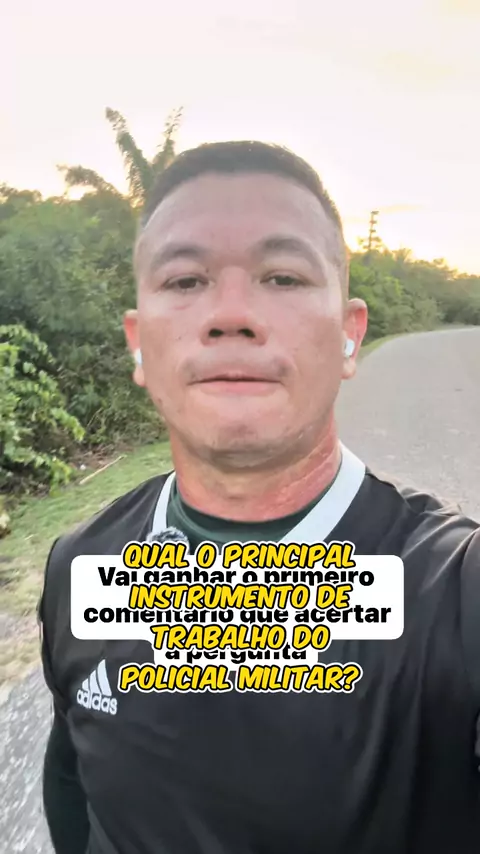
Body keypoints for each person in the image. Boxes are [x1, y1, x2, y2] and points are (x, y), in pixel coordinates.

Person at [39, 140, 480, 854]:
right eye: (185, 280)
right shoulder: (78, 564)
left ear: (349, 336)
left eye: (282, 277)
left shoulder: (457, 591)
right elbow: (74, 796)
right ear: (138, 345)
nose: (231, 315)